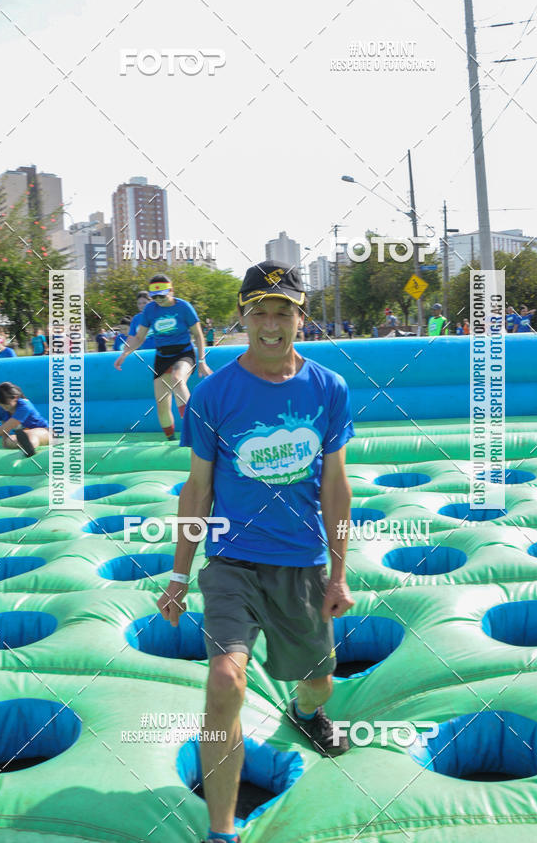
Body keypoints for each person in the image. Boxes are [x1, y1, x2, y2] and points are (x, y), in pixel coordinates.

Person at [156, 260, 354, 843]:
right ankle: (222, 831)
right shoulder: (214, 394)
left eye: (283, 312)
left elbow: (335, 488)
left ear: (301, 317)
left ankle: (308, 711)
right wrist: (177, 575)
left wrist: (339, 575)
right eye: (259, 313)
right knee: (224, 682)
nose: (271, 325)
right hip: (232, 564)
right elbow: (198, 488)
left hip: (302, 564)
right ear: (243, 317)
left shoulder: (327, 389)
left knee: (320, 678)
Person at [114, 273, 212, 440]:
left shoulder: (184, 307)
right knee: (162, 404)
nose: (158, 299)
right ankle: (170, 440)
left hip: (183, 353)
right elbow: (139, 338)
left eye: (162, 295)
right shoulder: (150, 310)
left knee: (177, 379)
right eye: (154, 296)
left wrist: (202, 361)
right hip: (162, 356)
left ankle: (196, 431)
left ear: (171, 291)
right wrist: (125, 353)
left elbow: (198, 335)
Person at [0, 382, 50, 457]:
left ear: (15, 398)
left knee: (31, 434)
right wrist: (5, 442)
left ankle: (29, 449)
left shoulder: (24, 406)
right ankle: (25, 446)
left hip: (45, 431)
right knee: (10, 440)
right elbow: (5, 430)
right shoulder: (1, 409)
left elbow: (2, 429)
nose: (4, 407)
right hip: (23, 434)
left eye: (6, 405)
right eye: (1, 405)